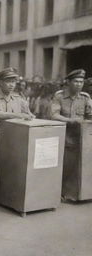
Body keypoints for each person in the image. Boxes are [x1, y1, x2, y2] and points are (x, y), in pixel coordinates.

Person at [51, 69, 92, 200]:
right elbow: (53, 114)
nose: (79, 84)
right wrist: (70, 120)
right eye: (76, 81)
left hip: (82, 137)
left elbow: (89, 114)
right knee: (66, 166)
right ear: (68, 82)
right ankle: (61, 192)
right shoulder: (59, 96)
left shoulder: (85, 98)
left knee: (81, 165)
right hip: (65, 136)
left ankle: (79, 193)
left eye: (81, 82)